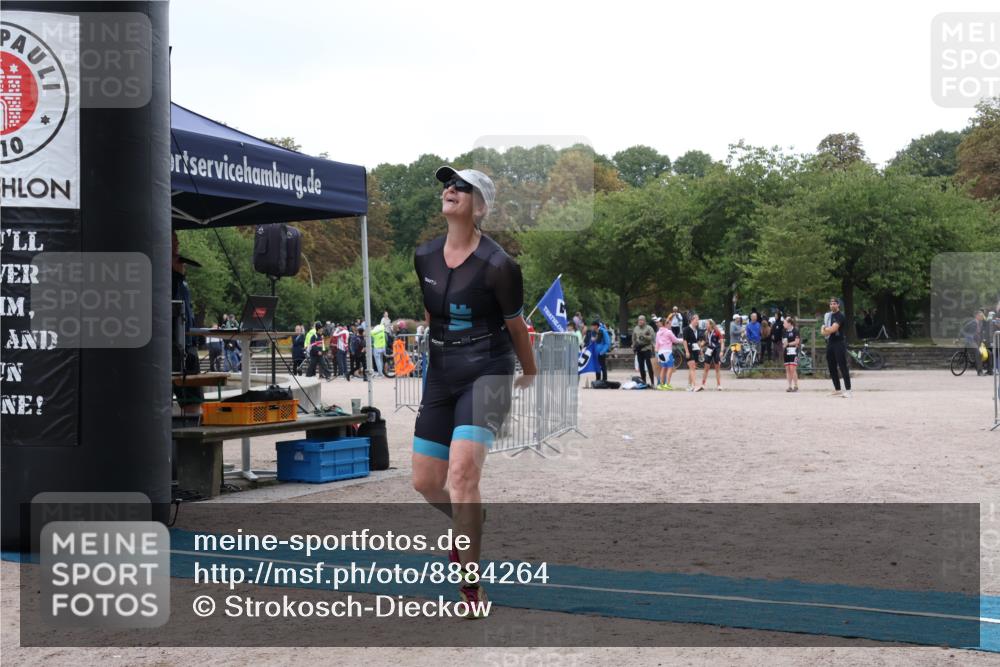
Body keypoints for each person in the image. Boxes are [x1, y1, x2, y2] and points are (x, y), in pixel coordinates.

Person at [411, 166, 536, 617]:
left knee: (463, 476)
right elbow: (433, 314)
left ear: (480, 207)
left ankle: (470, 586)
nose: (451, 189)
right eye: (449, 184)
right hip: (442, 372)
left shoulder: (500, 266)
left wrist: (529, 371)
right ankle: (471, 520)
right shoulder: (424, 256)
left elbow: (516, 326)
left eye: (463, 187)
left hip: (488, 370)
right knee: (426, 482)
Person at [820, 297, 852, 397]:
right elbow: (823, 332)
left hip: (839, 343)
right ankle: (837, 389)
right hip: (830, 343)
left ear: (838, 305)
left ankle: (848, 390)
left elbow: (833, 329)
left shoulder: (840, 316)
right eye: (831, 304)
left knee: (843, 366)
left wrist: (825, 329)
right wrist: (825, 330)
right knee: (831, 366)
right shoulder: (828, 316)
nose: (832, 305)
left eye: (834, 303)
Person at [654, 318, 681, 389]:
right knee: (670, 368)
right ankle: (667, 384)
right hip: (667, 352)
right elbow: (675, 340)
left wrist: (657, 351)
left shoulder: (658, 333)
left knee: (663, 368)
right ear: (666, 324)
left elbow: (657, 344)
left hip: (660, 352)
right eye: (669, 324)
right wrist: (683, 340)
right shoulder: (669, 332)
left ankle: (661, 385)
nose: (670, 325)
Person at [698, 318, 724, 391]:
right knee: (706, 367)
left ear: (711, 325)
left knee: (717, 368)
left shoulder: (717, 332)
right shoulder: (706, 332)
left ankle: (719, 385)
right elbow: (705, 341)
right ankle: (703, 384)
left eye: (707, 324)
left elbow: (722, 342)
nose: (706, 325)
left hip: (716, 349)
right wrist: (701, 345)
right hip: (709, 349)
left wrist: (721, 351)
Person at [960, 310, 987, 376]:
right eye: (981, 316)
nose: (982, 317)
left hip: (977, 342)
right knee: (978, 354)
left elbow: (980, 333)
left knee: (986, 353)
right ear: (977, 316)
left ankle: (988, 370)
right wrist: (968, 336)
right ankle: (980, 372)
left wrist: (982, 340)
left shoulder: (980, 323)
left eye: (982, 316)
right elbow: (962, 330)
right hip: (970, 341)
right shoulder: (972, 323)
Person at [632, 315, 655, 386]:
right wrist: (634, 346)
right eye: (639, 320)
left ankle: (652, 382)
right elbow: (634, 338)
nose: (640, 321)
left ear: (645, 321)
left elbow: (652, 338)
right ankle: (643, 382)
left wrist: (644, 336)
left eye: (642, 320)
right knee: (641, 366)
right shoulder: (636, 328)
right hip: (639, 349)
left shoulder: (649, 328)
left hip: (647, 348)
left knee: (649, 366)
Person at [587, 318, 611, 383]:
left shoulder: (603, 331)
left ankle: (604, 380)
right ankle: (598, 380)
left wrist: (602, 351)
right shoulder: (593, 332)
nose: (591, 327)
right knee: (597, 366)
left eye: (592, 326)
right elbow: (591, 343)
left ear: (596, 326)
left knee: (603, 366)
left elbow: (607, 342)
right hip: (595, 353)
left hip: (601, 352)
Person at [682, 313, 701, 391]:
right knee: (692, 367)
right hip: (689, 350)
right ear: (692, 320)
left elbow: (697, 341)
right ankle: (695, 385)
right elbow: (684, 341)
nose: (698, 321)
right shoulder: (686, 329)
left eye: (698, 320)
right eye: (697, 320)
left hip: (695, 350)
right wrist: (687, 351)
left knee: (692, 368)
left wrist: (700, 350)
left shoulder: (697, 330)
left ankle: (689, 385)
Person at [782, 316, 801, 392]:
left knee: (792, 368)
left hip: (793, 351)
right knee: (787, 369)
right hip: (786, 351)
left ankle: (796, 386)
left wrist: (788, 344)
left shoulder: (795, 330)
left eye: (785, 323)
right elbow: (784, 342)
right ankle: (789, 386)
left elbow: (797, 342)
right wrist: (784, 344)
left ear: (789, 323)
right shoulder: (784, 331)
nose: (783, 324)